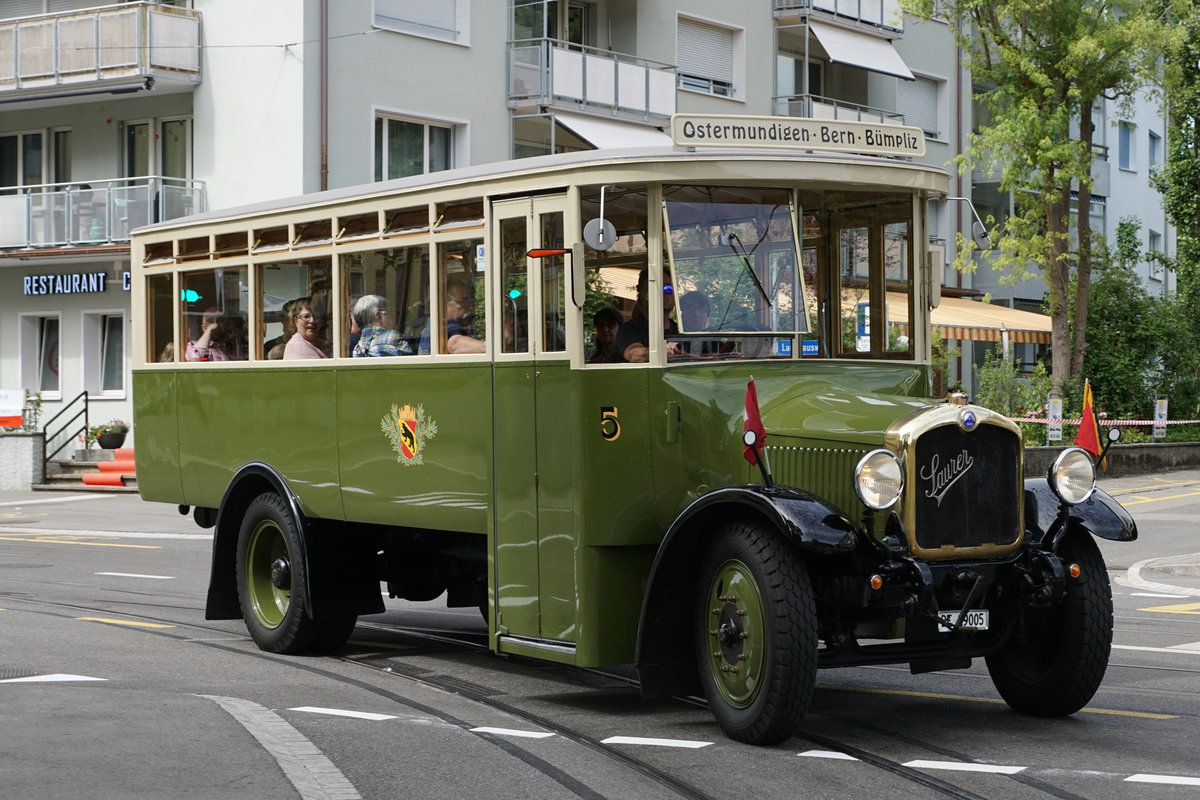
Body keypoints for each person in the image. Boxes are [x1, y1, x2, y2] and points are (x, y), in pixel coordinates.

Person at [615, 269, 679, 362]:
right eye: (654, 289)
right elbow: (633, 354)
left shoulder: (677, 329)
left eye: (668, 288)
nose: (662, 293)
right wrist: (661, 351)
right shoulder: (630, 329)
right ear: (641, 296)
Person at [419, 275, 485, 354]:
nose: (471, 306)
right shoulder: (447, 327)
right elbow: (455, 344)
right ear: (445, 303)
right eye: (464, 301)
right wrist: (487, 347)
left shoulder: (433, 324)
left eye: (471, 301)